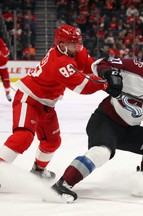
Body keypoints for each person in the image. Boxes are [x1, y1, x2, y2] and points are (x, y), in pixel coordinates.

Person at [52, 54, 143, 202]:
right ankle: (63, 184)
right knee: (102, 152)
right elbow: (99, 64)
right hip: (105, 121)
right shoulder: (132, 67)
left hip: (128, 130)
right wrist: (109, 74)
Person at [0, 24, 120, 179]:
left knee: (52, 141)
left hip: (46, 104)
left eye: (78, 43)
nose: (77, 47)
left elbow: (89, 64)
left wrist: (105, 72)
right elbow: (83, 86)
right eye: (72, 44)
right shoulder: (59, 62)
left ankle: (38, 171)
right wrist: (106, 83)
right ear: (61, 44)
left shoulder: (74, 50)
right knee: (23, 136)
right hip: (28, 99)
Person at [0, 37, 11, 102]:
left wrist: (2, 52)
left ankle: (7, 93)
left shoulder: (1, 43)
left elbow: (6, 52)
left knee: (6, 81)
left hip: (3, 66)